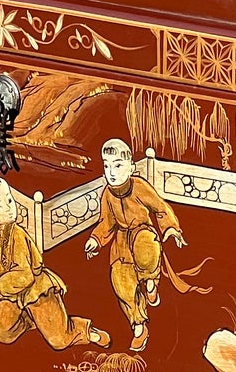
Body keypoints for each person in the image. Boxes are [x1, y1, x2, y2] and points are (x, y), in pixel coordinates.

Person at [85, 139, 203, 352]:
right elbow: (106, 223)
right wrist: (96, 239)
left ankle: (151, 281)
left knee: (147, 248)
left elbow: (160, 207)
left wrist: (170, 228)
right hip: (120, 244)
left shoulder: (138, 186)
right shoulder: (107, 195)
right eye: (107, 165)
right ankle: (138, 325)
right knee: (120, 282)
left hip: (142, 233)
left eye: (118, 165)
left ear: (130, 167)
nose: (111, 172)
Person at [0, 176, 108, 351]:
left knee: (59, 340)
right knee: (0, 330)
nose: (8, 208)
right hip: (14, 292)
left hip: (36, 288)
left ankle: (86, 331)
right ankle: (33, 318)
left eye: (9, 200)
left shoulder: (18, 235)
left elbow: (25, 276)